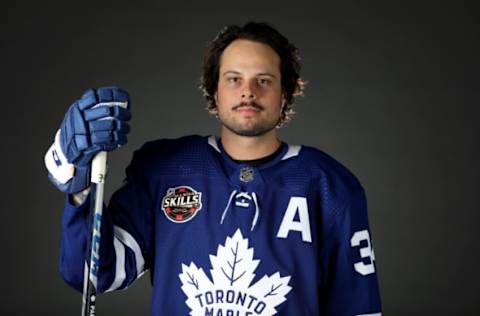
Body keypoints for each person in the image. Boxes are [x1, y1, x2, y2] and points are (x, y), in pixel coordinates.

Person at [45, 22, 382, 315]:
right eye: (233, 79)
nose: (248, 92)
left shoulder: (330, 185)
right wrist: (80, 186)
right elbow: (93, 274)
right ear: (214, 90)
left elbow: (357, 307)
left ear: (286, 94)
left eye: (263, 80)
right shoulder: (165, 169)